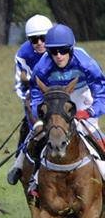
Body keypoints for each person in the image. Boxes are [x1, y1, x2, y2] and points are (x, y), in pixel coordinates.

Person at [20, 23, 105, 192]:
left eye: (63, 50)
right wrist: (41, 116)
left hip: (81, 96)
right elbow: (36, 94)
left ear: (71, 49)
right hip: (54, 98)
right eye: (53, 51)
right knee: (38, 133)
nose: (58, 56)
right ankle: (24, 169)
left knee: (90, 129)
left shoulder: (86, 63)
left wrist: (90, 112)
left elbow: (101, 92)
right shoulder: (42, 67)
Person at [6, 14, 52, 184]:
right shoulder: (23, 54)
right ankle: (19, 164)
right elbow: (20, 85)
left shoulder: (62, 47)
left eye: (43, 38)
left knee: (88, 125)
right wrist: (29, 98)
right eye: (34, 39)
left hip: (65, 97)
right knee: (29, 127)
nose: (39, 42)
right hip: (36, 100)